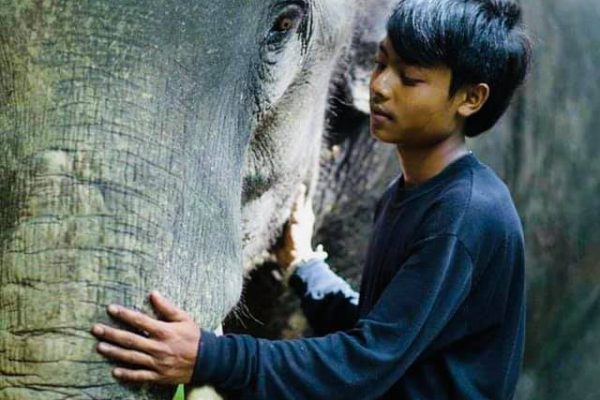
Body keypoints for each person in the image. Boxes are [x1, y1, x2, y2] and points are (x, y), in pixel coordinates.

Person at [91, 0, 532, 398]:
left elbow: (367, 362)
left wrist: (210, 356)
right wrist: (305, 266)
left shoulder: (464, 215)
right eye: (381, 64)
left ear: (470, 99)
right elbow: (383, 332)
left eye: (410, 79)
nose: (379, 87)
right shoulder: (409, 193)